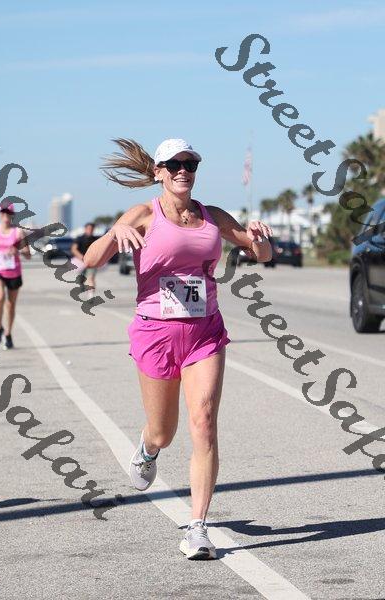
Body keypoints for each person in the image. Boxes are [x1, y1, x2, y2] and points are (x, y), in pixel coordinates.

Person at [83, 138, 272, 560]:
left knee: (203, 422)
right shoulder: (143, 215)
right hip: (156, 333)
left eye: (190, 163)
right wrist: (114, 232)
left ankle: (197, 527)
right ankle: (148, 448)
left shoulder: (212, 216)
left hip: (205, 332)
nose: (183, 170)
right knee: (163, 431)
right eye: (174, 164)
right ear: (159, 172)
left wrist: (258, 238)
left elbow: (260, 252)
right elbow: (92, 260)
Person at [0, 202, 31, 349]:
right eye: (3, 212)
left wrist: (18, 251)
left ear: (12, 215)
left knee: (11, 305)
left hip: (14, 272)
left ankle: (8, 334)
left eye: (9, 213)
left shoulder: (18, 232)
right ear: (0, 214)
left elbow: (28, 255)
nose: (6, 215)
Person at [71, 222, 99, 297]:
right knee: (81, 278)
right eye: (89, 229)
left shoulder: (96, 239)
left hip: (92, 262)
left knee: (91, 277)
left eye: (92, 229)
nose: (90, 230)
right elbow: (74, 249)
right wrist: (81, 257)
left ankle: (91, 295)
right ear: (85, 229)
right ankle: (82, 285)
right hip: (81, 261)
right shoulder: (79, 239)